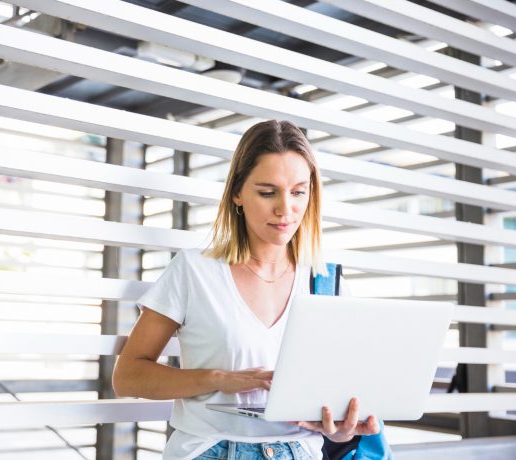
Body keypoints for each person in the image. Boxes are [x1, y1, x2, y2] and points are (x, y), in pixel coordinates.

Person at [112, 120, 382, 459]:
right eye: (268, 192)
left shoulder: (327, 285)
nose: (286, 209)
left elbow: (337, 402)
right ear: (238, 193)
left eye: (298, 191)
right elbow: (128, 376)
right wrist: (217, 379)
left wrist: (341, 430)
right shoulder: (195, 271)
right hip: (210, 450)